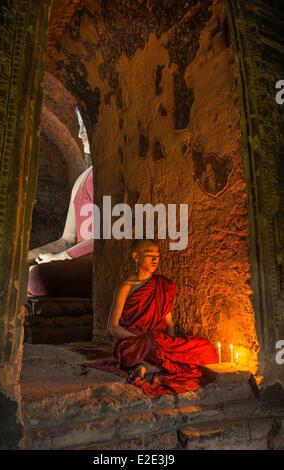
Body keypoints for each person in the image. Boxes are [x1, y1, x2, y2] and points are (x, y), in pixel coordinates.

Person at [107, 239, 218, 396]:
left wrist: (170, 348)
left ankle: (147, 367)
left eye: (157, 255)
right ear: (136, 256)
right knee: (153, 339)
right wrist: (142, 339)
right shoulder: (126, 286)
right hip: (133, 344)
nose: (155, 259)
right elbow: (112, 327)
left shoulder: (162, 285)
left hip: (159, 342)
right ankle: (154, 366)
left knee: (205, 347)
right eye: (149, 254)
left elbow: (169, 324)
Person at [27, 107, 94, 298]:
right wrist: (23, 258)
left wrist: (60, 258)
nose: (80, 134)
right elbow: (66, 240)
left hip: (97, 262)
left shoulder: (113, 175)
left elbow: (105, 239)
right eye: (79, 126)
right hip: (73, 259)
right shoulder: (81, 180)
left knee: (37, 276)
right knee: (20, 271)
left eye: (85, 125)